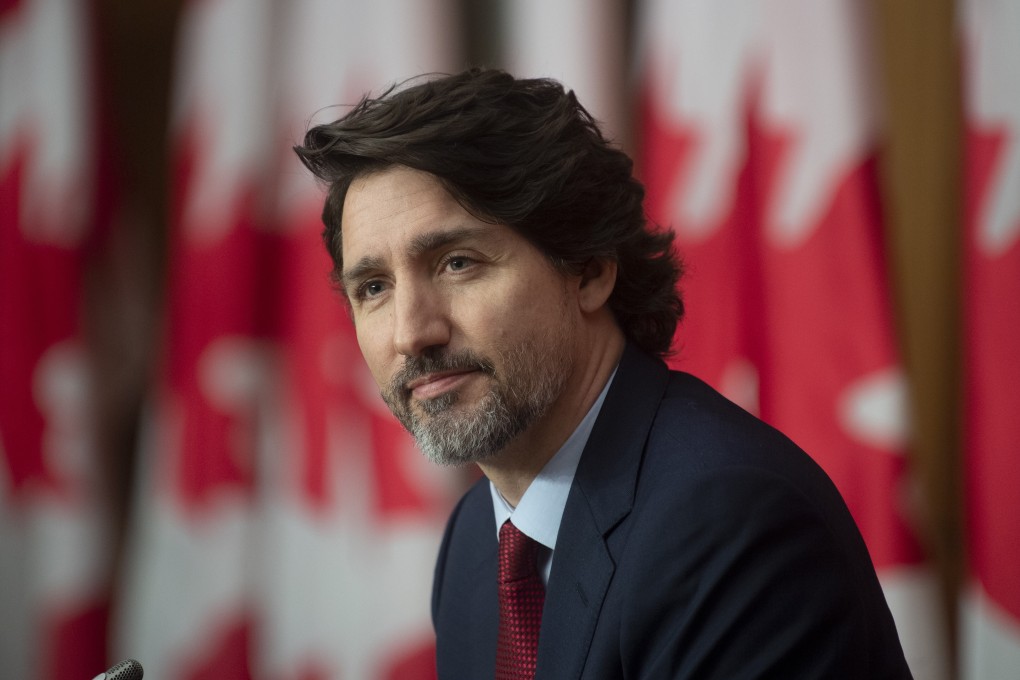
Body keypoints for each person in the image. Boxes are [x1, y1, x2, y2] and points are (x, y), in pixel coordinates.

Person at [294, 68, 912, 679]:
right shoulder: (475, 543)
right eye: (372, 287)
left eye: (457, 263)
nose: (410, 332)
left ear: (588, 270)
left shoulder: (727, 522)